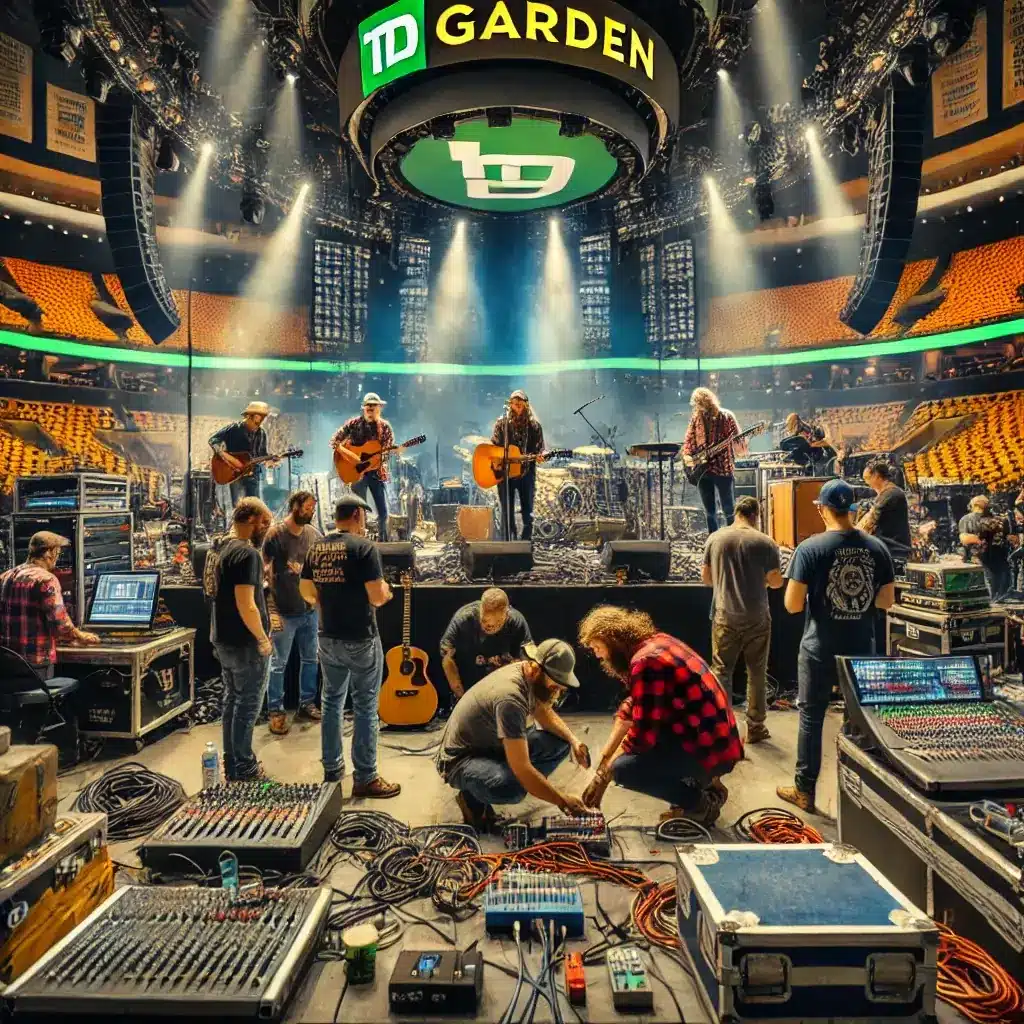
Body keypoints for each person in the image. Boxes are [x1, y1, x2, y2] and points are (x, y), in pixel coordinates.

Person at [779, 479, 895, 813]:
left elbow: (792, 605)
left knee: (811, 719)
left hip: (819, 647)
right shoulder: (877, 548)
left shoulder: (811, 549)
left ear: (822, 509)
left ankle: (804, 791)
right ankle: (856, 795)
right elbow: (886, 602)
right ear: (853, 509)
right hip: (860, 647)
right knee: (858, 721)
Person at [577, 606, 742, 825]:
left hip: (708, 750)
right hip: (718, 744)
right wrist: (603, 762)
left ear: (613, 640)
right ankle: (707, 783)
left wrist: (605, 775)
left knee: (624, 769)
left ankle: (699, 805)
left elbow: (641, 739)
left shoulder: (644, 663)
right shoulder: (655, 643)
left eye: (597, 647)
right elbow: (634, 707)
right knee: (619, 760)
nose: (598, 655)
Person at [300, 495, 400, 796]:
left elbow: (305, 589)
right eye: (364, 517)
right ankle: (366, 777)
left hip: (327, 636)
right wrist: (388, 592)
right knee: (365, 706)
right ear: (357, 514)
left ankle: (332, 771)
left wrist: (327, 603)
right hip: (360, 637)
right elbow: (376, 597)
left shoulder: (316, 546)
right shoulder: (364, 548)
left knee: (331, 703)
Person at [435, 639, 590, 832]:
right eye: (555, 685)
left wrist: (574, 741)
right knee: (511, 788)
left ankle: (507, 776)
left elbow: (542, 712)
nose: (558, 690)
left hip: (488, 744)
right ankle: (471, 798)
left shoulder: (528, 674)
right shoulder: (511, 698)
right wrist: (562, 800)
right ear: (536, 669)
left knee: (561, 742)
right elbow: (523, 768)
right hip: (460, 759)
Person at [702, 496, 784, 744]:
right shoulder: (765, 542)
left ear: (736, 512)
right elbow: (777, 582)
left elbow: (706, 579)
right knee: (757, 672)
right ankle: (756, 728)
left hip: (724, 616)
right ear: (755, 515)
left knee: (721, 671)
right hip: (757, 617)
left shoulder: (715, 538)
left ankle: (722, 728)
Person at [210, 497, 275, 782]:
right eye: (264, 523)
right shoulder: (248, 555)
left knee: (232, 702)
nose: (266, 530)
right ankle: (246, 768)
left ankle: (233, 765)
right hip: (245, 642)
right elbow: (245, 603)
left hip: (223, 637)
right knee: (247, 706)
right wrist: (262, 638)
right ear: (250, 521)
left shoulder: (222, 548)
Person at [0, 531, 99, 679]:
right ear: (49, 553)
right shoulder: (46, 580)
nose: (57, 558)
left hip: (6, 665)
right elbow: (61, 625)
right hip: (35, 664)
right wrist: (81, 636)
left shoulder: (5, 577)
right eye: (57, 553)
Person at [263, 491, 322, 735]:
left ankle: (306, 703)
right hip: (284, 612)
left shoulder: (313, 535)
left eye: (313, 508)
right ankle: (275, 710)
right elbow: (263, 575)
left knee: (311, 659)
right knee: (278, 664)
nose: (311, 512)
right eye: (308, 508)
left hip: (309, 611)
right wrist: (271, 611)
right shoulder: (275, 535)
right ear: (295, 507)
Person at [439, 589, 533, 710]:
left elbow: (528, 658)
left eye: (498, 622)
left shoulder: (516, 621)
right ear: (481, 609)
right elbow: (447, 659)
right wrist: (461, 699)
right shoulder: (463, 619)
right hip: (469, 685)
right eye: (484, 620)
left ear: (507, 613)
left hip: (503, 687)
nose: (489, 626)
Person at [330, 393, 395, 542]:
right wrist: (349, 456)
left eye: (374, 406)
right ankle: (361, 541)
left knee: (383, 511)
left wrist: (376, 459)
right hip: (356, 473)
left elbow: (386, 453)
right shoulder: (353, 424)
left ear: (379, 408)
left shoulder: (385, 428)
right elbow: (334, 441)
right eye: (368, 406)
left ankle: (383, 542)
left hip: (376, 472)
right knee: (359, 511)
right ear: (364, 408)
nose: (371, 408)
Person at [682, 387, 745, 533]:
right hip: (703, 470)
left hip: (723, 467)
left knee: (728, 509)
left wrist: (740, 447)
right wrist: (687, 455)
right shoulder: (696, 419)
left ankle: (732, 538)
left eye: (698, 403)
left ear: (705, 401)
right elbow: (689, 439)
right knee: (710, 512)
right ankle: (713, 540)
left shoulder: (726, 416)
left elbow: (738, 438)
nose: (696, 407)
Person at [491, 390, 545, 542]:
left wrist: (540, 455)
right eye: (515, 403)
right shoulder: (502, 424)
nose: (518, 406)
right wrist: (498, 461)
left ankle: (526, 544)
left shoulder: (534, 426)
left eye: (520, 403)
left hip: (526, 473)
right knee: (506, 512)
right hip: (505, 474)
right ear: (510, 405)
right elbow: (494, 445)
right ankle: (507, 543)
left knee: (528, 512)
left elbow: (540, 448)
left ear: (526, 405)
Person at [208, 401, 274, 506]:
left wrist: (269, 460)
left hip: (253, 474)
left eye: (262, 418)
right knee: (238, 505)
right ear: (249, 416)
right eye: (257, 419)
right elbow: (213, 440)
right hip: (235, 473)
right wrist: (226, 456)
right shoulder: (234, 428)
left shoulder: (261, 433)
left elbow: (261, 454)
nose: (259, 422)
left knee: (254, 506)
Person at [959, 494, 1017, 601]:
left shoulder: (997, 519)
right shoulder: (968, 519)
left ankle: (995, 602)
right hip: (986, 558)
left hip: (991, 557)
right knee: (993, 585)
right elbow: (964, 538)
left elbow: (964, 539)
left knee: (995, 585)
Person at [857, 460, 911, 563]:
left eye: (867, 478)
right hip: (889, 551)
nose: (866, 483)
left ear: (877, 475)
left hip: (894, 552)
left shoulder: (890, 494)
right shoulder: (887, 493)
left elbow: (870, 521)